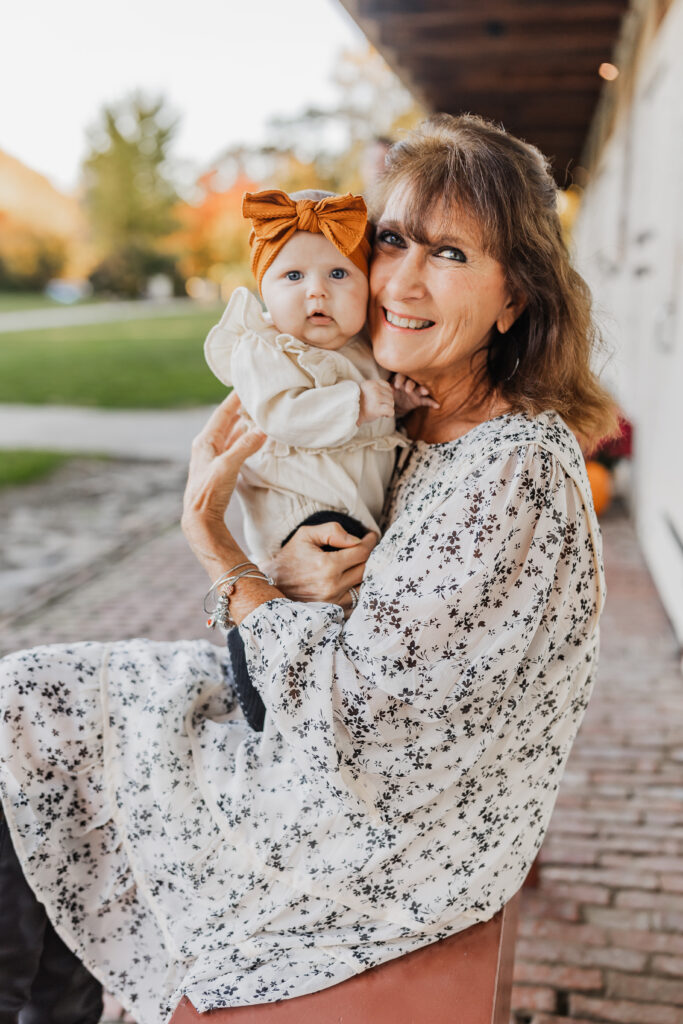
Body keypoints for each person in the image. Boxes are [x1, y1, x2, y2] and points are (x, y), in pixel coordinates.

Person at [0, 113, 618, 1024]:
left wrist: (217, 549)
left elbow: (363, 728)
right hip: (326, 732)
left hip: (384, 833)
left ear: (513, 299)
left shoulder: (510, 466)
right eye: (394, 240)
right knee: (29, 699)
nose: (400, 279)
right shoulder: (408, 423)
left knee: (41, 722)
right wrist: (285, 578)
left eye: (448, 255)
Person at [204, 188, 432, 730]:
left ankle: (322, 708)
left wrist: (396, 400)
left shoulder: (363, 350)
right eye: (293, 277)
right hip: (297, 512)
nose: (317, 294)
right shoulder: (267, 352)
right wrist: (356, 403)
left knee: (335, 616)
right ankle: (255, 687)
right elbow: (284, 414)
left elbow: (379, 408)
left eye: (338, 275)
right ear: (264, 289)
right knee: (283, 604)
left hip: (349, 508)